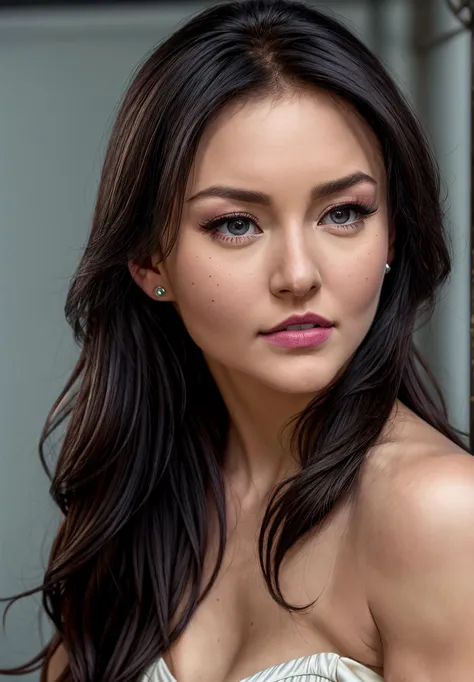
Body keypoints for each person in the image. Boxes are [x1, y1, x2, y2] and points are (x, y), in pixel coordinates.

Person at [2, 0, 473, 680]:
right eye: (236, 224)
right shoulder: (134, 500)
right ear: (149, 262)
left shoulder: (440, 517)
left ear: (393, 232)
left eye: (344, 213)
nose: (299, 276)